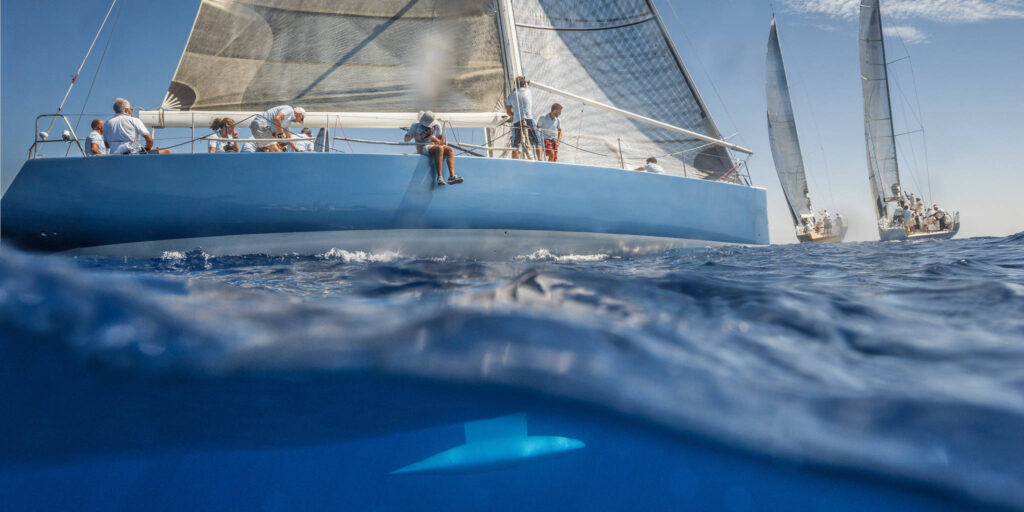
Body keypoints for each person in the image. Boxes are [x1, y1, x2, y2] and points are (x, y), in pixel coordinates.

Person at [405, 111, 462, 186]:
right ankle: (439, 177)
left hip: (434, 145)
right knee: (439, 149)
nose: (427, 126)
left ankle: (452, 176)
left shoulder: (437, 125)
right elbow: (405, 140)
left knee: (449, 150)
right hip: (422, 147)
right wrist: (413, 135)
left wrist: (431, 138)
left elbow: (441, 142)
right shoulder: (415, 126)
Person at [104, 98, 171, 155]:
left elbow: (107, 145)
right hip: (134, 154)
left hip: (115, 156)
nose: (132, 111)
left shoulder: (107, 123)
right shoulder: (134, 120)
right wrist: (147, 149)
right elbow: (149, 140)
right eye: (131, 109)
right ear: (126, 110)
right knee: (166, 151)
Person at [505, 76, 543, 160]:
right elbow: (525, 86)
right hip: (529, 119)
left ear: (515, 84)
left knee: (516, 145)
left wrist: (514, 116)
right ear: (524, 83)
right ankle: (540, 159)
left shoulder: (511, 95)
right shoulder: (528, 91)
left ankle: (515, 163)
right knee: (538, 142)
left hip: (517, 121)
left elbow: (508, 111)